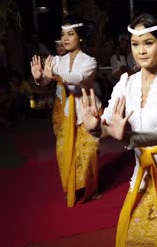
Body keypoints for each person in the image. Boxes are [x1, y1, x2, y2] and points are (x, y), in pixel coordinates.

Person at [81, 12, 157, 246]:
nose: (141, 51)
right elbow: (108, 125)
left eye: (148, 43)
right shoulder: (125, 83)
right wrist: (95, 129)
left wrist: (130, 137)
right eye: (135, 44)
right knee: (133, 238)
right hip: (143, 173)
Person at [30, 15, 102, 207]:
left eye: (71, 34)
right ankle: (73, 187)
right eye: (63, 35)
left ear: (81, 38)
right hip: (66, 112)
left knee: (88, 152)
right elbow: (46, 81)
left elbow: (78, 78)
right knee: (64, 151)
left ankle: (90, 188)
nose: (65, 38)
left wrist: (54, 76)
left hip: (87, 111)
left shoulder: (90, 61)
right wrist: (39, 78)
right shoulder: (55, 60)